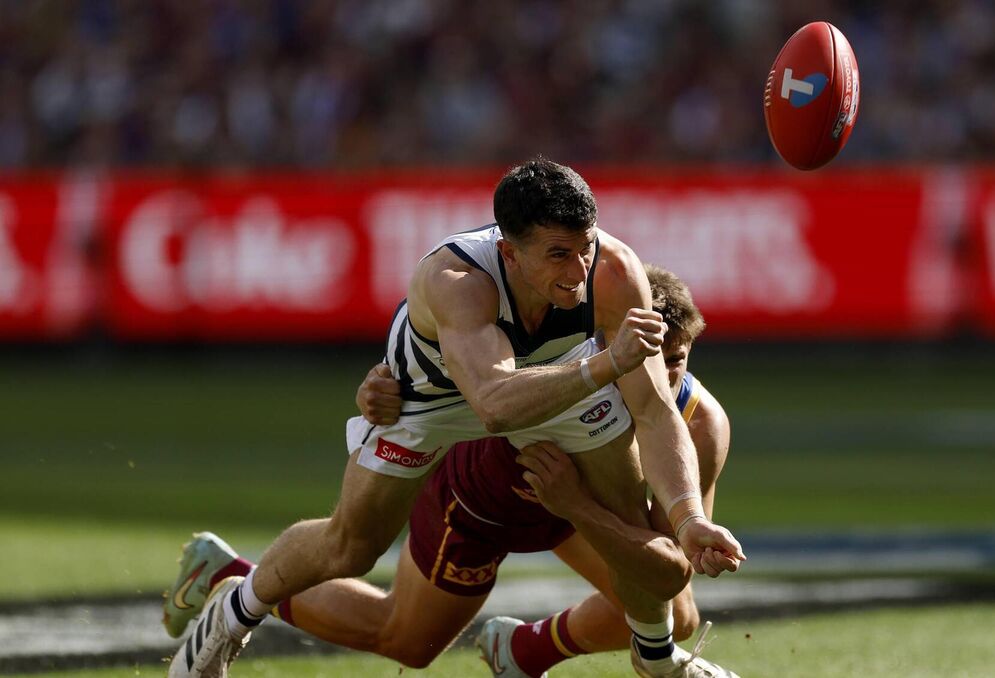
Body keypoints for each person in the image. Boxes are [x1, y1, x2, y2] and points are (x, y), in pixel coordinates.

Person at [166, 159, 743, 678]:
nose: (578, 269)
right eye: (558, 254)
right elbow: (493, 405)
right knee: (352, 547)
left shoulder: (613, 272)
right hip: (433, 399)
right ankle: (233, 611)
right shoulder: (458, 280)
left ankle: (656, 661)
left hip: (557, 381)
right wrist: (607, 365)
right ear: (510, 252)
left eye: (585, 247)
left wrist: (688, 519)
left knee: (651, 555)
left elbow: (653, 409)